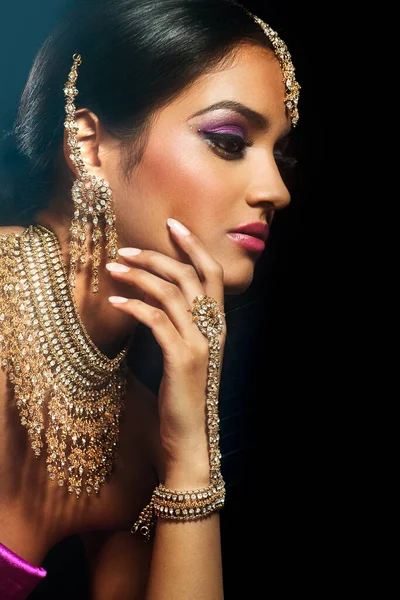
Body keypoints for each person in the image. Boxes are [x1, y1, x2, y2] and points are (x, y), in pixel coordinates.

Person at [0, 0, 300, 597]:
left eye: (281, 155)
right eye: (228, 139)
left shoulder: (141, 436)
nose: (277, 190)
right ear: (88, 145)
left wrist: (191, 454)